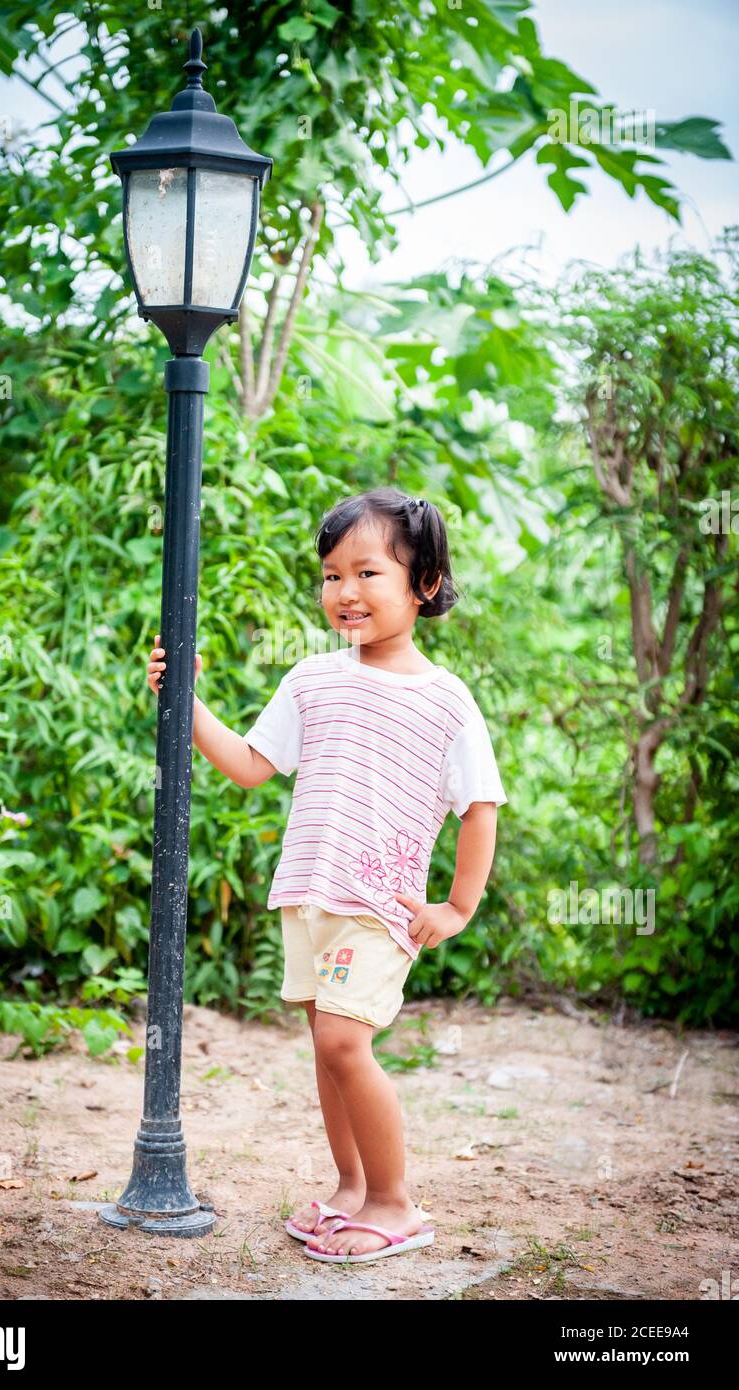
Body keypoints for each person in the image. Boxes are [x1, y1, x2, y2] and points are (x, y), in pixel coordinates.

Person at [146, 487, 507, 1263]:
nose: (344, 591)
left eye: (367, 573)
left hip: (379, 904)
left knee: (346, 1042)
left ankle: (394, 1202)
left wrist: (456, 906)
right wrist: (185, 697)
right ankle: (350, 1187)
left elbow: (480, 807)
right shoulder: (311, 678)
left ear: (425, 585)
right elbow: (249, 765)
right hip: (308, 891)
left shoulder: (446, 701)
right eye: (330, 575)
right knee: (324, 1044)